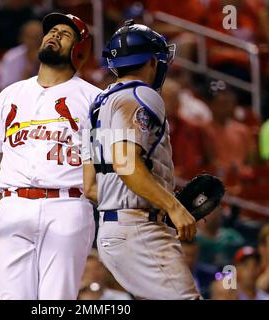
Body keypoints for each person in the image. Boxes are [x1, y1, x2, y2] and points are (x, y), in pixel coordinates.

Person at [0, 12, 101, 300]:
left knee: (55, 301)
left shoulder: (95, 99)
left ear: (79, 51)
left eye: (65, 34)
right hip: (13, 206)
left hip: (68, 205)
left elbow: (107, 165)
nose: (54, 35)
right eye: (52, 31)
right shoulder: (11, 94)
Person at [83, 20, 200, 299]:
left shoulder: (97, 105)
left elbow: (90, 186)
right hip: (140, 232)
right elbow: (126, 164)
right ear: (151, 61)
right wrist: (172, 206)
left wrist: (157, 201)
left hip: (113, 233)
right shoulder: (141, 94)